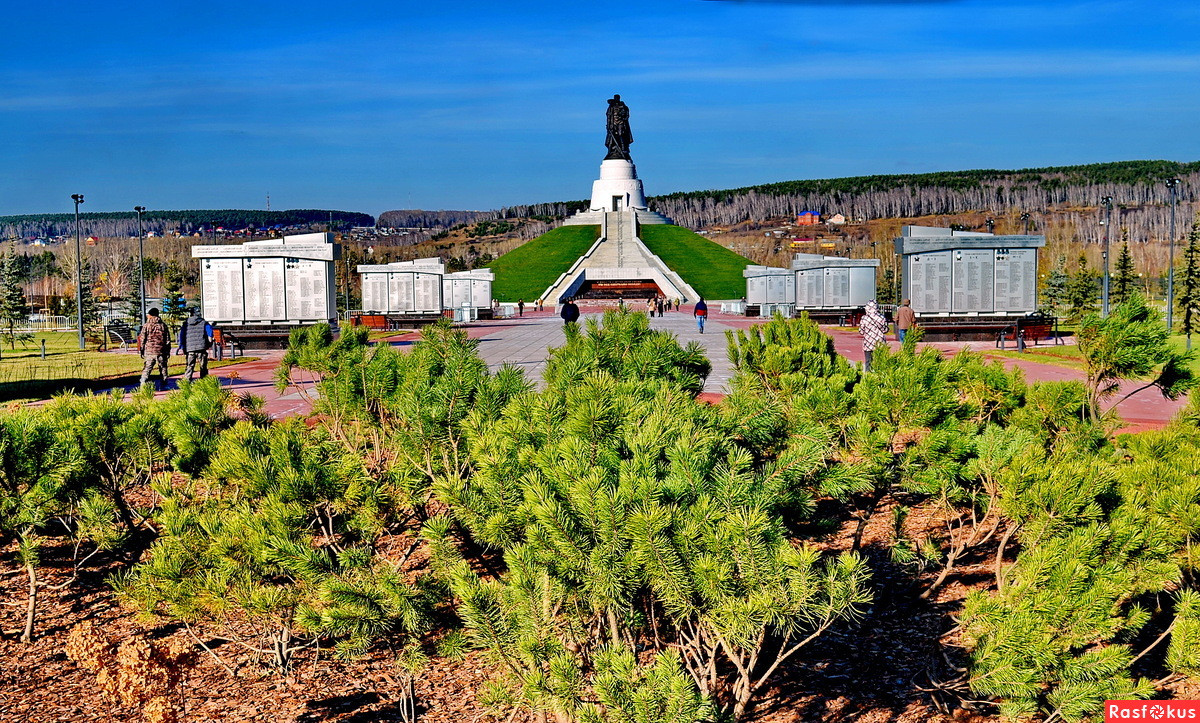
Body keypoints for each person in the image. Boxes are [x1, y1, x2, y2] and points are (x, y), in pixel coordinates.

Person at [136, 308, 172, 390]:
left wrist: (141, 349)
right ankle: (164, 385)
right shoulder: (163, 325)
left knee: (147, 368)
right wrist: (168, 351)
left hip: (149, 351)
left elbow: (142, 338)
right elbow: (167, 340)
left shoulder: (146, 326)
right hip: (161, 351)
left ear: (150, 315)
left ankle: (143, 383)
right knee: (163, 368)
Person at [179, 307, 213, 381]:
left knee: (189, 365)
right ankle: (204, 381)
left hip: (190, 348)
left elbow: (181, 335)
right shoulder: (204, 322)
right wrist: (210, 341)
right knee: (203, 366)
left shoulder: (186, 323)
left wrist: (182, 346)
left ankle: (187, 382)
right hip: (201, 347)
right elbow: (210, 332)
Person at [859, 300, 889, 372]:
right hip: (879, 342)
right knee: (880, 361)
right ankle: (880, 375)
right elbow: (885, 330)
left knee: (868, 362)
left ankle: (868, 377)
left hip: (868, 343)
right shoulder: (881, 317)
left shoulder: (864, 318)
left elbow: (861, 331)